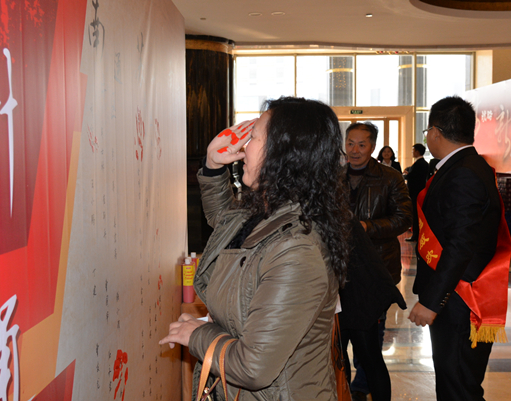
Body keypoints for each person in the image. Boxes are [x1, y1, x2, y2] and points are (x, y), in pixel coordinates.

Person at [160, 97, 350, 400]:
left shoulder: (297, 251)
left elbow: (252, 368)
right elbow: (225, 224)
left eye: (255, 137)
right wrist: (213, 165)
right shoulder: (269, 212)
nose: (244, 147)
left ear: (284, 153)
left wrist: (197, 334)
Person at [408, 96, 510, 401]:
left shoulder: (463, 172)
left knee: (458, 386)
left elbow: (460, 244)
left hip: (460, 300)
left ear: (435, 132)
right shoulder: (469, 165)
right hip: (457, 296)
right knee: (458, 382)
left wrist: (432, 302)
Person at [344, 122, 412, 401]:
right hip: (338, 272)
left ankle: (362, 386)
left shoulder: (390, 177)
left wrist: (366, 227)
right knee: (337, 344)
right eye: (350, 143)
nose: (355, 150)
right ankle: (348, 389)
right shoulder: (333, 176)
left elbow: (403, 218)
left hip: (374, 270)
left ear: (373, 147)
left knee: (370, 345)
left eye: (361, 144)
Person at [339, 218, 407, 401]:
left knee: (367, 358)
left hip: (358, 292)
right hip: (353, 290)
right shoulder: (338, 212)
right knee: (349, 358)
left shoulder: (327, 213)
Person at [403, 144, 430, 242]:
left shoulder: (420, 164)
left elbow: (414, 177)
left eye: (413, 150)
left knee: (416, 214)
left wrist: (406, 176)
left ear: (417, 152)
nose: (412, 152)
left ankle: (416, 235)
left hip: (416, 193)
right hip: (418, 192)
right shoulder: (422, 163)